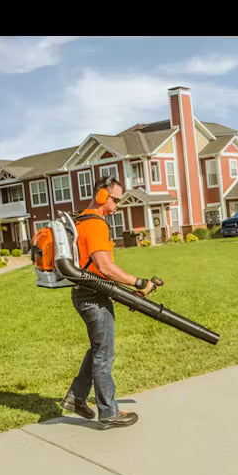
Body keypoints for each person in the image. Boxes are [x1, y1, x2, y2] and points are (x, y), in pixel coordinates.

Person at [60, 176, 160, 428]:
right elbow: (105, 266)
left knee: (97, 349)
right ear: (101, 195)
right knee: (104, 355)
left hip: (86, 293)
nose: (117, 205)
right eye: (115, 199)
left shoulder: (82, 219)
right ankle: (109, 413)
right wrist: (138, 282)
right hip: (93, 296)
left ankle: (76, 398)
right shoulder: (95, 225)